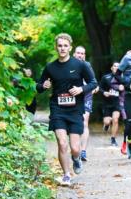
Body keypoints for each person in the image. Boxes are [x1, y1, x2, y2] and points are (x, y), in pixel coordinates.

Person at [36, 34, 96, 186]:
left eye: (65, 45)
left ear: (70, 47)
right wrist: (43, 86)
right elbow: (39, 85)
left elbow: (93, 83)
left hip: (75, 109)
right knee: (62, 143)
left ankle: (76, 159)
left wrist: (81, 89)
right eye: (60, 45)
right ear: (56, 47)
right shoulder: (50, 67)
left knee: (75, 148)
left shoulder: (80, 65)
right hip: (58, 109)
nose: (62, 48)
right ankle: (66, 175)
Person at [73, 46, 97, 162]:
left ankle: (83, 151)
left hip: (86, 96)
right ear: (74, 54)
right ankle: (75, 148)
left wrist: (94, 88)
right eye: (78, 53)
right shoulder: (68, 64)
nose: (80, 55)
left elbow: (94, 82)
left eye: (82, 53)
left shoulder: (87, 66)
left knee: (84, 122)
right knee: (73, 123)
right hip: (72, 97)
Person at [99, 61, 124, 146]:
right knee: (107, 121)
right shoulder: (106, 77)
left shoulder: (123, 78)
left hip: (117, 103)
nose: (116, 67)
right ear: (112, 68)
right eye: (115, 66)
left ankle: (113, 139)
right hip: (107, 103)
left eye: (118, 66)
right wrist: (104, 92)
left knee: (115, 119)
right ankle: (106, 125)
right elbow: (100, 88)